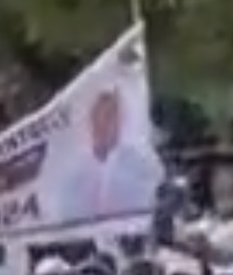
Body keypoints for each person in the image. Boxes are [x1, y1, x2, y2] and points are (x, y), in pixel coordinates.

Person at [57, 87, 162, 230]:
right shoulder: (75, 173)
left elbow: (156, 194)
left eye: (110, 117)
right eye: (100, 117)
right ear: (91, 121)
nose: (105, 125)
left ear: (120, 122)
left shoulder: (139, 165)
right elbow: (65, 218)